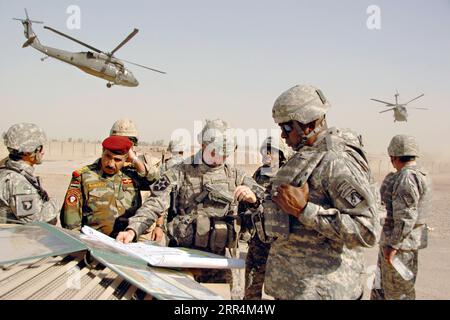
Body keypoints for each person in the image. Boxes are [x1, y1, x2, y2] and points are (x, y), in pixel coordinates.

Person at [116, 119, 265, 299]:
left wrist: (254, 199)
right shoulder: (179, 171)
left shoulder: (235, 175)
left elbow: (266, 200)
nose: (221, 158)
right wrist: (133, 230)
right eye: (216, 152)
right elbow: (155, 202)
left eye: (226, 153)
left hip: (218, 262)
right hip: (182, 257)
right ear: (202, 145)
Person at [263, 84, 381, 299]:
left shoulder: (336, 160)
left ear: (306, 124)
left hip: (324, 291)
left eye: (287, 127)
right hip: (297, 288)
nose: (282, 135)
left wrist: (304, 210)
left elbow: (367, 229)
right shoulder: (308, 155)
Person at [60, 136, 158, 239]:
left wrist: (135, 159)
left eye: (117, 160)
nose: (111, 164)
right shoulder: (84, 176)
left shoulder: (132, 175)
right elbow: (71, 221)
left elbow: (157, 183)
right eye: (108, 156)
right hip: (94, 244)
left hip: (127, 243)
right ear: (102, 152)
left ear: (126, 158)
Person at [371, 135, 431, 300]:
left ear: (393, 156)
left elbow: (406, 217)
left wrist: (393, 245)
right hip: (402, 245)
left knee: (397, 294)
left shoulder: (407, 178)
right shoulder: (418, 174)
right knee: (381, 289)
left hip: (399, 248)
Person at [244, 137, 291, 300]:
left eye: (270, 151)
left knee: (283, 290)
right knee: (251, 289)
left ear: (281, 154)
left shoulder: (289, 175)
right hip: (259, 239)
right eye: (264, 151)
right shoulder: (259, 173)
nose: (266, 155)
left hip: (282, 242)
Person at [0, 123, 58, 224]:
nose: (42, 152)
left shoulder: (7, 170)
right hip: (17, 238)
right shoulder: (17, 182)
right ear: (28, 152)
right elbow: (35, 221)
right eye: (40, 148)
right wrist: (54, 203)